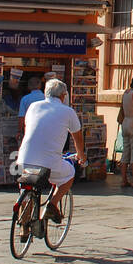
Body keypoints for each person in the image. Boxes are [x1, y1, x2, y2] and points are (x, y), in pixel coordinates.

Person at [16, 78, 86, 222]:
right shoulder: (68, 111)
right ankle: (52, 204)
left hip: (25, 158)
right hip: (49, 163)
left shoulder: (34, 107)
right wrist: (81, 156)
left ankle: (23, 227)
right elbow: (77, 138)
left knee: (26, 190)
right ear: (62, 95)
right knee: (69, 174)